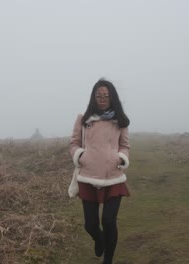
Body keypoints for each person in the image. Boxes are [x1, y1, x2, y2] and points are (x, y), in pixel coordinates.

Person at [70, 78, 130, 264]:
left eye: (106, 95)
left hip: (113, 177)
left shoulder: (120, 120)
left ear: (112, 97)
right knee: (90, 225)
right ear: (93, 98)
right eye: (99, 96)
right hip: (88, 176)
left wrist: (121, 158)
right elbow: (74, 143)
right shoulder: (84, 119)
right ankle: (99, 239)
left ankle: (108, 259)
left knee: (109, 221)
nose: (102, 98)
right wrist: (80, 156)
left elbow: (125, 145)